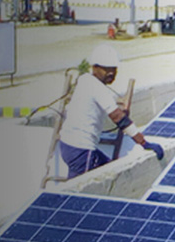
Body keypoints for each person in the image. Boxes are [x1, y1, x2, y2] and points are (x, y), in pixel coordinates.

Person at [59, 44, 163, 179]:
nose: (111, 73)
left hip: (67, 144)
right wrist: (144, 143)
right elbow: (118, 117)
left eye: (114, 69)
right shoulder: (98, 88)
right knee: (81, 186)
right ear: (94, 67)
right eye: (106, 69)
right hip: (81, 149)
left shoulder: (84, 79)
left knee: (109, 170)